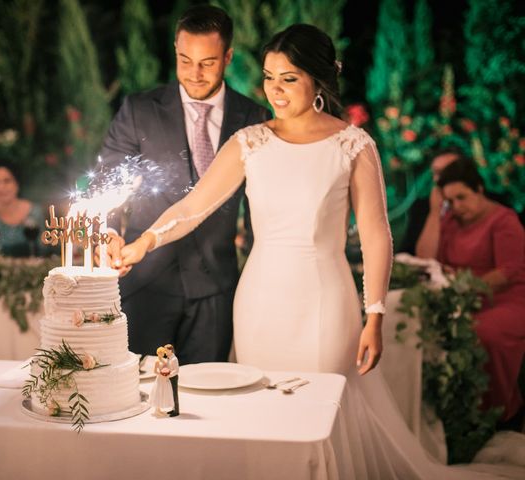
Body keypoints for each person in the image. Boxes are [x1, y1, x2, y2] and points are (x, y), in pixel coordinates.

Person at [116, 24, 515, 479]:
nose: (275, 90)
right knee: (261, 407)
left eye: (289, 78)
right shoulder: (250, 142)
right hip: (260, 302)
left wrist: (376, 314)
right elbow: (192, 207)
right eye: (269, 77)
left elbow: (376, 233)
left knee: (318, 412)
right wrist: (144, 241)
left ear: (318, 78)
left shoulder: (353, 145)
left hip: (326, 303)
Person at [99, 5, 270, 364]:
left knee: (207, 404)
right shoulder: (139, 110)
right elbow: (108, 183)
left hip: (216, 290)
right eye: (184, 59)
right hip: (146, 284)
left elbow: (261, 209)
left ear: (227, 57)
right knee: (137, 399)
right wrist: (109, 234)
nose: (194, 73)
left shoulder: (254, 118)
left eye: (207, 62)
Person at [420, 159, 525, 430]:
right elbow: (425, 258)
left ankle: (502, 412)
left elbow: (509, 271)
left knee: (481, 333)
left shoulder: (504, 220)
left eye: (462, 198)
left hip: (505, 299)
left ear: (479, 189)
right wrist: (435, 213)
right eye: (449, 201)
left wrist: (465, 289)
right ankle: (446, 416)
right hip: (462, 298)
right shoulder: (451, 219)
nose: (456, 206)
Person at [402, 148, 460, 256]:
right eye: (437, 172)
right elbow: (407, 252)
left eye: (449, 172)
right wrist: (435, 212)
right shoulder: (420, 207)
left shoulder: (491, 204)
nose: (441, 179)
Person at [149, 346, 175, 416]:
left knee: (164, 392)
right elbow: (154, 371)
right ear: (158, 353)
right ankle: (157, 409)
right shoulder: (157, 361)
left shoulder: (164, 359)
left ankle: (159, 409)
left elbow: (166, 366)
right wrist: (161, 374)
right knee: (159, 392)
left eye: (163, 353)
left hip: (165, 378)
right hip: (160, 378)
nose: (162, 354)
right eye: (161, 353)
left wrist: (167, 372)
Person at [164, 344, 180, 417]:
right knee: (170, 394)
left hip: (173, 378)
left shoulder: (174, 359)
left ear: (170, 350)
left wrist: (169, 375)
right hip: (169, 377)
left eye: (166, 350)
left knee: (174, 394)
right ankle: (173, 408)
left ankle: (176, 410)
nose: (165, 352)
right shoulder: (168, 358)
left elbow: (176, 370)